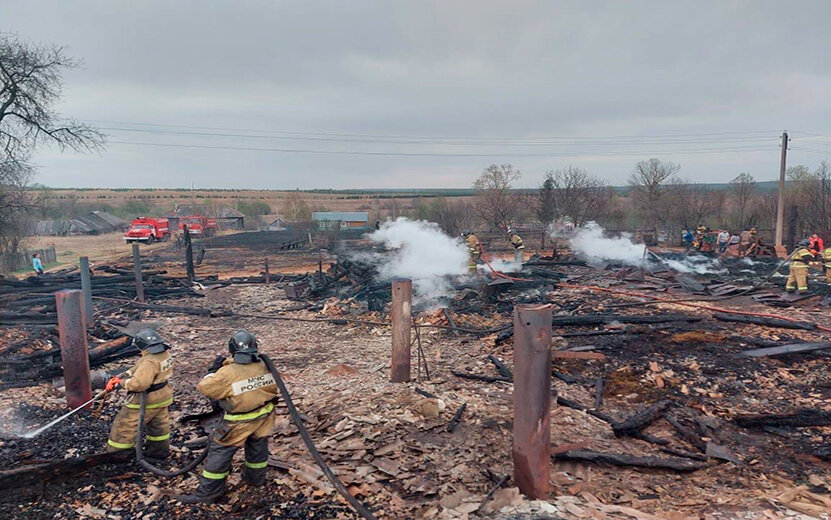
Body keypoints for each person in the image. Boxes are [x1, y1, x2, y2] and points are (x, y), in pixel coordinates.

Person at [179, 331, 278, 504]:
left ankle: (208, 493)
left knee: (220, 452)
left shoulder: (227, 372)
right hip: (265, 415)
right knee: (258, 447)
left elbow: (205, 388)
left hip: (239, 421)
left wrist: (212, 372)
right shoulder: (263, 363)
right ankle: (255, 480)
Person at [105, 329, 173, 458]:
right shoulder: (163, 354)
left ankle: (117, 455)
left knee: (124, 426)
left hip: (148, 398)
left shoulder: (149, 361)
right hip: (163, 395)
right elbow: (139, 368)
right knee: (158, 426)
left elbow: (139, 384)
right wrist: (124, 375)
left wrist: (120, 383)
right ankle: (159, 452)